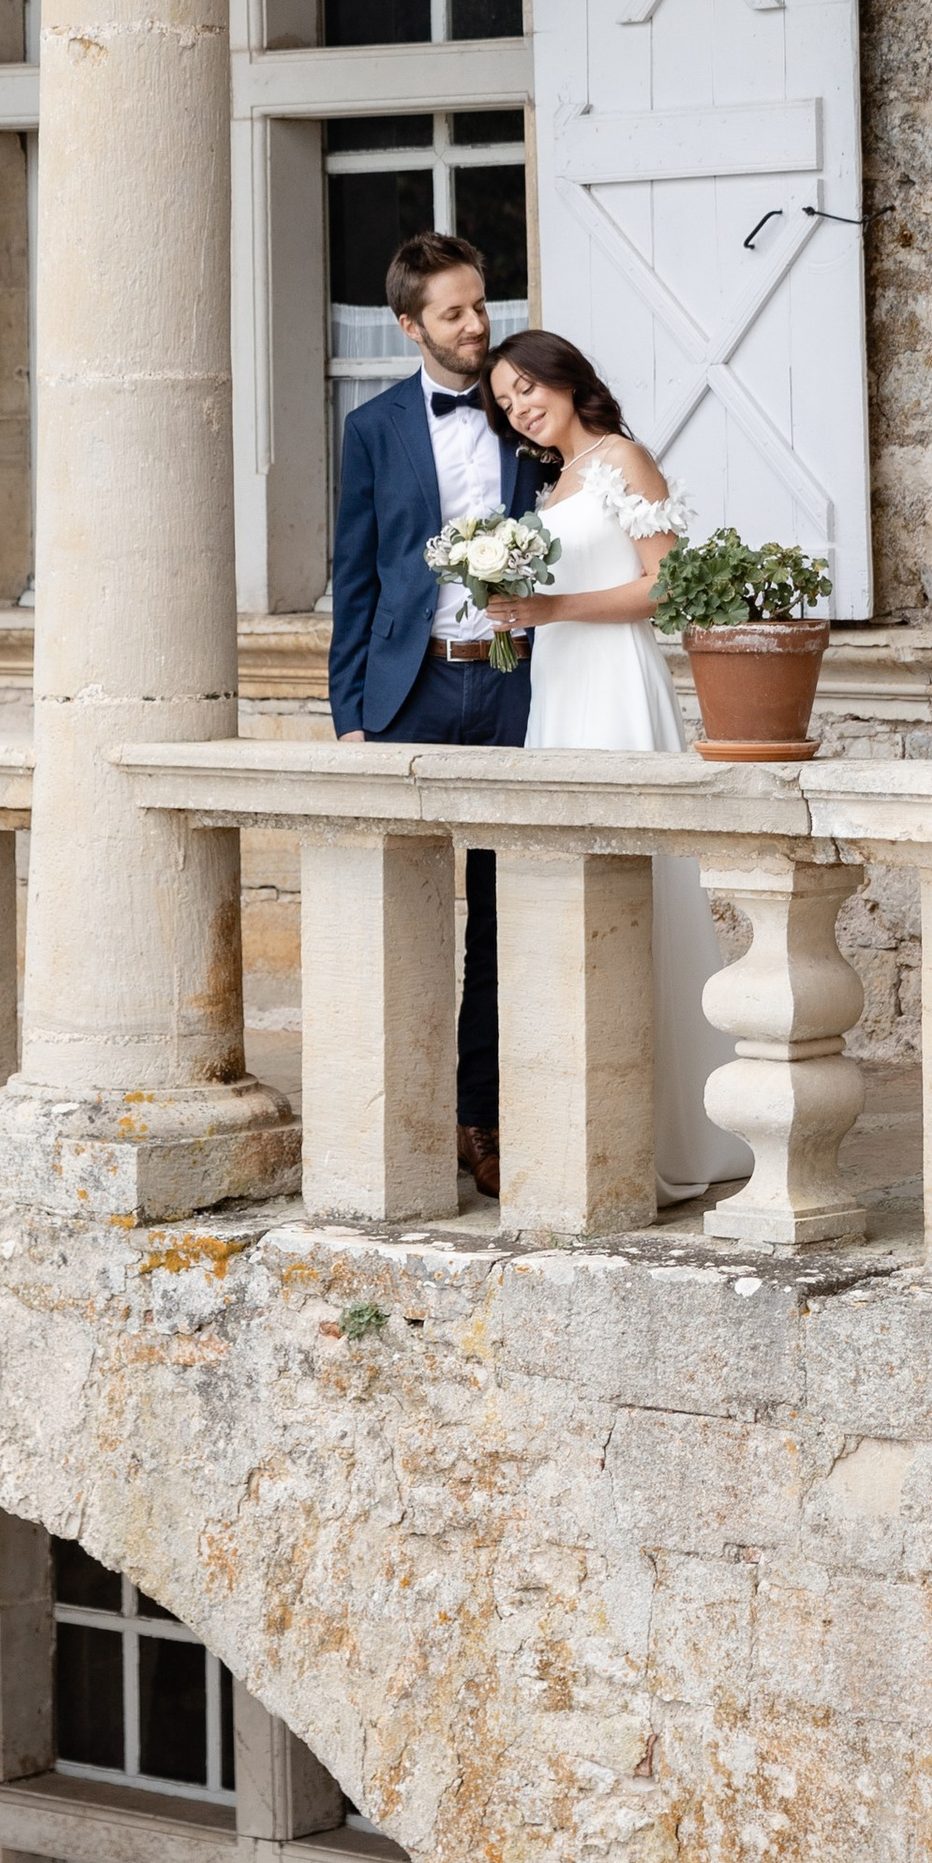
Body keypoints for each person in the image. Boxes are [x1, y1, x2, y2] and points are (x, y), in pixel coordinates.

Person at [479, 327, 742, 1205]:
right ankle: (595, 1114)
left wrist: (552, 607)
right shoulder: (546, 485)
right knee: (566, 893)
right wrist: (518, 615)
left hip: (617, 688)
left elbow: (664, 586)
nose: (518, 404)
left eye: (526, 386)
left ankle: (674, 1129)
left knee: (641, 884)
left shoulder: (624, 460)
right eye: (504, 397)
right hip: (558, 689)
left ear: (565, 378)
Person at [327, 230, 549, 1195]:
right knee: (394, 920)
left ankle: (483, 1118)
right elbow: (357, 579)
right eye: (453, 313)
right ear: (410, 325)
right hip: (407, 692)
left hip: (512, 688)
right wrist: (349, 715)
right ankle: (396, 1121)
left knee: (505, 918)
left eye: (480, 304)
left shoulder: (527, 417)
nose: (476, 325)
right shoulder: (373, 430)